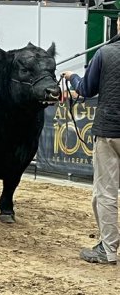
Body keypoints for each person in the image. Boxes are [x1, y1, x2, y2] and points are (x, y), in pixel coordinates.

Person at [61, 14, 120, 265]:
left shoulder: (105, 53)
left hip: (109, 131)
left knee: (106, 193)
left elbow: (86, 89)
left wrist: (70, 77)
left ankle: (108, 250)